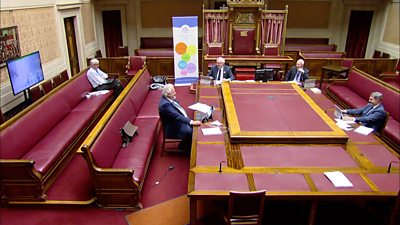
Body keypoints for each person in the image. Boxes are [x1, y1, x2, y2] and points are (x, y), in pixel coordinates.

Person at [159, 84, 201, 154]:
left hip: (175, 122)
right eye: (173, 92)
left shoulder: (169, 98)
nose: (175, 93)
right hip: (173, 128)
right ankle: (186, 148)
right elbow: (177, 116)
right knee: (190, 131)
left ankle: (184, 144)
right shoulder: (165, 105)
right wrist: (191, 122)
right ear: (168, 94)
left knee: (192, 126)